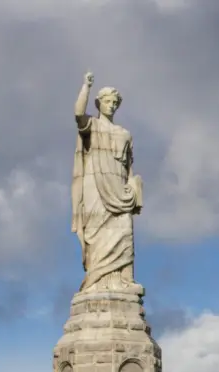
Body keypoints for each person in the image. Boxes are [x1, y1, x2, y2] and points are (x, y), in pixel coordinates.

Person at [72, 71, 143, 294]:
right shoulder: (92, 126)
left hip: (120, 191)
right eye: (107, 102)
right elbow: (78, 114)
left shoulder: (125, 134)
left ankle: (124, 280)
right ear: (98, 104)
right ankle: (95, 283)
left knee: (124, 231)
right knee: (97, 231)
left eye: (115, 103)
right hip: (96, 188)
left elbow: (129, 168)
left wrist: (134, 189)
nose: (111, 106)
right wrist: (86, 86)